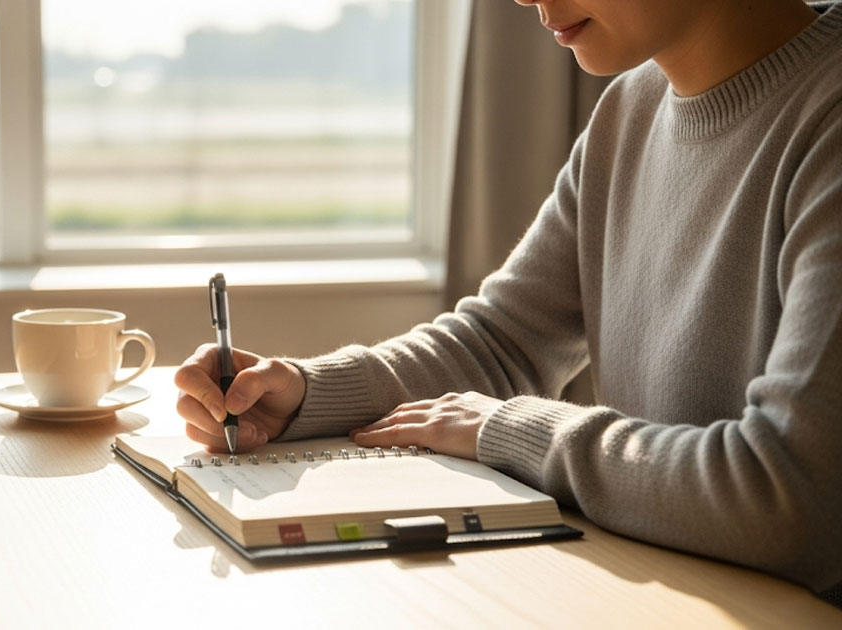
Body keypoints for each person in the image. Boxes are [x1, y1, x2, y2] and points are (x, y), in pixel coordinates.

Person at [174, 0, 842, 604]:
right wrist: (305, 390)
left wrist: (509, 430)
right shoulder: (630, 111)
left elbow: (793, 499)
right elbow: (503, 343)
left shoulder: (828, 119)